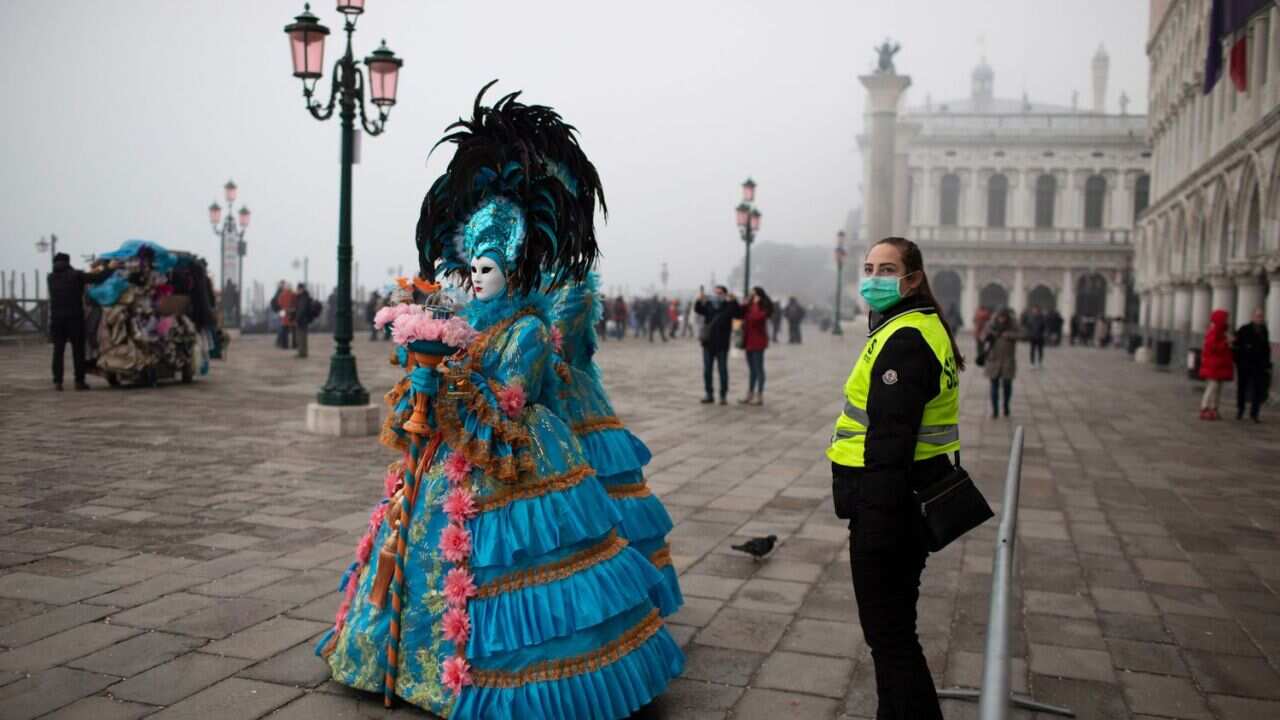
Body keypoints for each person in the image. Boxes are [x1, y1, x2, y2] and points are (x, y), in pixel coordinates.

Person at [319, 84, 683, 718]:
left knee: (515, 564)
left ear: (513, 269)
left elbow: (512, 400)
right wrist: (423, 367)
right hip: (447, 456)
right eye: (474, 268)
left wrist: (452, 378)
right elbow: (451, 382)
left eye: (491, 268)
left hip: (512, 458)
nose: (479, 278)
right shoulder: (468, 320)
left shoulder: (529, 329)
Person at [827, 236, 962, 720]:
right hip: (909, 500)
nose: (874, 278)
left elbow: (890, 442)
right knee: (896, 634)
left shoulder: (905, 339)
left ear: (913, 279)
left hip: (890, 509)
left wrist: (877, 526)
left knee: (890, 639)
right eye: (869, 267)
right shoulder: (918, 327)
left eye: (887, 270)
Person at [47, 252, 111, 391]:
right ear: (68, 262)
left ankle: (58, 382)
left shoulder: (51, 278)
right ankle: (79, 382)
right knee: (78, 351)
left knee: (58, 351)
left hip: (56, 320)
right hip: (74, 318)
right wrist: (110, 268)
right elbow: (98, 278)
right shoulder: (76, 275)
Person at [695, 285, 738, 405]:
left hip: (722, 344)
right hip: (708, 344)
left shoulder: (728, 306)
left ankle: (723, 395)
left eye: (720, 293)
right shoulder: (709, 304)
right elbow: (698, 309)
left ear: (724, 294)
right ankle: (709, 394)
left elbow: (737, 313)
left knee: (723, 370)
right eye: (715, 293)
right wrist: (699, 300)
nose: (717, 295)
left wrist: (733, 301)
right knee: (707, 370)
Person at [737, 286, 773, 405]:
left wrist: (756, 305)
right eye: (751, 295)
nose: (752, 297)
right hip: (748, 341)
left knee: (759, 369)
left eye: (754, 295)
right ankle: (750, 394)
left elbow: (756, 318)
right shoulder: (749, 306)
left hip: (758, 342)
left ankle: (759, 395)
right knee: (752, 370)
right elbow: (739, 313)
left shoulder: (763, 308)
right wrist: (745, 303)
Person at [1234, 308, 1271, 422]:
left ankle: (1254, 413)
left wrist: (1266, 364)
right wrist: (1238, 361)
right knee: (1242, 388)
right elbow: (1236, 346)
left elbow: (1266, 348)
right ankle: (1240, 410)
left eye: (1261, 316)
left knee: (1258, 389)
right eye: (1258, 316)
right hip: (1245, 364)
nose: (1260, 318)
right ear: (1252, 317)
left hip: (1259, 366)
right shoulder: (1244, 329)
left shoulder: (1264, 330)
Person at [983, 308, 1019, 418]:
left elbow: (1024, 334)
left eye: (1003, 317)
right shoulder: (991, 326)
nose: (1001, 319)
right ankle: (995, 410)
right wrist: (987, 336)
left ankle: (1006, 406)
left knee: (1007, 385)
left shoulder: (1013, 326)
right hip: (993, 360)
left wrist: (1009, 335)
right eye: (1000, 317)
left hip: (1007, 361)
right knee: (994, 386)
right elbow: (982, 336)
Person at [1199, 308, 1234, 420]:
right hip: (1214, 365)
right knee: (1212, 386)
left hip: (1220, 365)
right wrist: (1226, 342)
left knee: (1218, 388)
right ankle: (1204, 407)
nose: (1227, 321)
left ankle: (1214, 408)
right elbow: (1213, 348)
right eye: (1225, 319)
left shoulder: (1222, 332)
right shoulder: (1214, 332)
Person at [294, 283, 315, 358]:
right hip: (304, 319)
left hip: (302, 320)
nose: (297, 290)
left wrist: (297, 319)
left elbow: (301, 310)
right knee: (303, 336)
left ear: (301, 289)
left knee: (301, 337)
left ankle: (302, 353)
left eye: (298, 289)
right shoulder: (305, 297)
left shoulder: (303, 298)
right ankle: (303, 352)